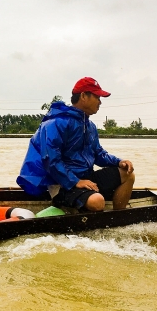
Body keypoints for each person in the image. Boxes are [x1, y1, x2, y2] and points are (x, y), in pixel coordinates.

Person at [17, 77, 135, 211]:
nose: (100, 102)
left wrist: (119, 162)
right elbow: (51, 160)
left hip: (85, 179)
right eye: (97, 97)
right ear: (84, 96)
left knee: (127, 173)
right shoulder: (55, 124)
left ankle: (118, 218)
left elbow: (98, 154)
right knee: (97, 201)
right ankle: (70, 206)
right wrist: (75, 181)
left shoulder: (90, 126)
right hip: (61, 184)